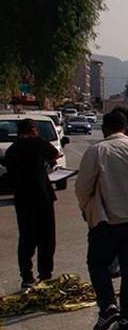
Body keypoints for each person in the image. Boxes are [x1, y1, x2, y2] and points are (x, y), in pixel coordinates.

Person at [75, 111, 128, 330]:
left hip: (105, 221)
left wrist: (87, 210)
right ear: (126, 127)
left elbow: (82, 187)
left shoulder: (97, 150)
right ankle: (126, 316)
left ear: (105, 128)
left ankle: (108, 305)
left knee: (98, 264)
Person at [4, 119, 60, 288]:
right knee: (46, 238)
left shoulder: (12, 149)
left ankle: (26, 277)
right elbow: (55, 154)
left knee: (26, 237)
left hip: (22, 199)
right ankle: (45, 274)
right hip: (42, 197)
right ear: (34, 130)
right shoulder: (38, 143)